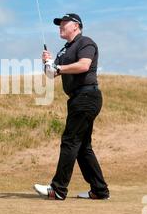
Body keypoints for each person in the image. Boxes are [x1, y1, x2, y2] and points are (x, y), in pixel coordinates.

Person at [33, 13, 110, 200]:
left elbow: (84, 66)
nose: (60, 26)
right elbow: (52, 75)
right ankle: (99, 190)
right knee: (83, 147)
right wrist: (47, 64)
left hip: (87, 96)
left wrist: (58, 68)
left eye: (64, 23)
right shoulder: (64, 51)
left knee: (70, 141)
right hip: (77, 98)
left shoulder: (85, 42)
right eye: (59, 24)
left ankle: (58, 189)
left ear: (76, 26)